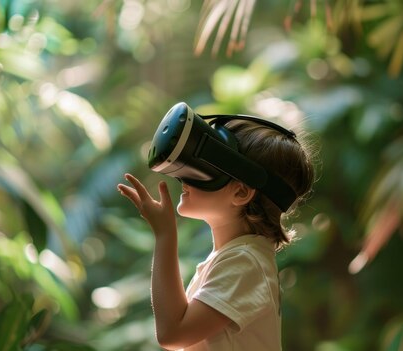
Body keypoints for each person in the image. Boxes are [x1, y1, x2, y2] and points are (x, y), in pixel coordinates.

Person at [117, 115, 315, 351]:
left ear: (241, 193)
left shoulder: (246, 262)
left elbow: (173, 334)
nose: (184, 176)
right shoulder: (235, 258)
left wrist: (165, 236)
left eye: (204, 168)